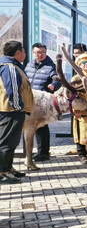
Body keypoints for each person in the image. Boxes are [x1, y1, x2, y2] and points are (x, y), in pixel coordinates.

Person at [0, 41, 34, 184]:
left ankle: (8, 168)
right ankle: (2, 172)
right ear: (18, 52)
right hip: (10, 111)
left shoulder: (13, 66)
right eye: (24, 51)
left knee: (12, 141)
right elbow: (13, 89)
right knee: (6, 142)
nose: (25, 54)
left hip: (12, 110)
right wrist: (18, 106)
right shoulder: (10, 67)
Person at [24, 43, 61, 161]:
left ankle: (44, 153)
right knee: (30, 126)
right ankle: (31, 152)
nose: (40, 54)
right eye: (37, 52)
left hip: (42, 103)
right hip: (28, 100)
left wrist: (54, 85)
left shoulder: (51, 66)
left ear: (46, 52)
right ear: (33, 53)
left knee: (41, 127)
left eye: (42, 52)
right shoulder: (29, 65)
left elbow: (57, 79)